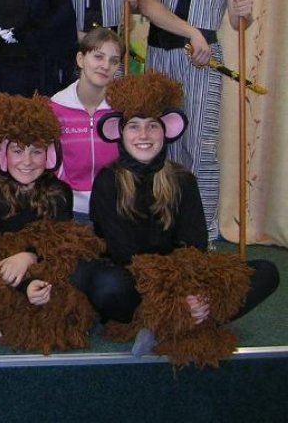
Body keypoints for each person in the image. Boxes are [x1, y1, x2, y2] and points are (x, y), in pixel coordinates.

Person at [85, 72, 278, 355]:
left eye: (152, 126)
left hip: (181, 278)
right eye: (134, 127)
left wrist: (190, 292)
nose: (143, 136)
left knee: (266, 272)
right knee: (106, 286)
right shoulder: (107, 181)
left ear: (167, 130)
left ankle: (169, 321)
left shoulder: (183, 179)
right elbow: (122, 253)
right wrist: (172, 297)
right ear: (119, 132)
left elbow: (194, 245)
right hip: (134, 282)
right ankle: (178, 319)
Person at [139, 0, 254, 242]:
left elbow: (237, 20)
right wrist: (191, 32)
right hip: (160, 55)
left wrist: (243, 12)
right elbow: (149, 4)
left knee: (200, 145)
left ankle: (203, 235)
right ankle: (165, 230)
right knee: (160, 142)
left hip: (205, 61)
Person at [0, 93, 74, 305]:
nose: (27, 162)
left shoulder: (60, 193)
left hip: (47, 277)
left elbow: (60, 245)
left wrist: (29, 256)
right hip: (4, 277)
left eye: (36, 152)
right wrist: (23, 282)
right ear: (3, 154)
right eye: (18, 151)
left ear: (49, 155)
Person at [50, 28, 122, 223]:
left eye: (114, 61)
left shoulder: (123, 108)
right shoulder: (55, 107)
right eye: (98, 57)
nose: (105, 66)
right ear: (81, 59)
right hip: (69, 208)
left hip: (115, 206)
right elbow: (49, 159)